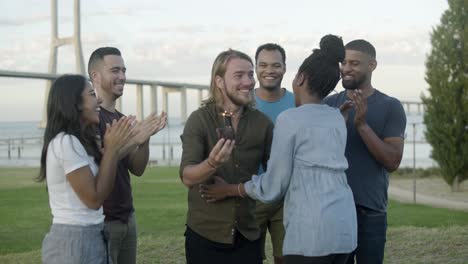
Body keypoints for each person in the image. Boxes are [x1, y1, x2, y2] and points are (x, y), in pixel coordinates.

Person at [201, 35, 357, 264]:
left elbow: (274, 185)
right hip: (345, 229)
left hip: (312, 233)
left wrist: (231, 189)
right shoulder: (336, 117)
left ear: (300, 78)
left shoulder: (290, 119)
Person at [179, 49, 274, 264]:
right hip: (205, 236)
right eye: (239, 75)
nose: (248, 82)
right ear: (219, 81)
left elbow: (274, 178)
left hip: (249, 234)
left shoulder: (263, 123)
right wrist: (212, 163)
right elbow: (187, 177)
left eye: (250, 75)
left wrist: (235, 190)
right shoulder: (199, 120)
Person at [323, 39, 407, 264]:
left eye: (354, 63)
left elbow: (392, 161)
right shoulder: (328, 104)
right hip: (333, 211)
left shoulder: (390, 106)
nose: (346, 68)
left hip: (370, 214)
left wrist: (361, 125)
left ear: (372, 65)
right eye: (343, 62)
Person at [38, 74, 136, 263]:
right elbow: (94, 199)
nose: (98, 99)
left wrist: (135, 140)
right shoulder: (66, 142)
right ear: (76, 103)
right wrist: (112, 149)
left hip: (90, 235)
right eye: (92, 94)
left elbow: (103, 178)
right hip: (75, 241)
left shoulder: (78, 142)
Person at [88, 47, 167, 264]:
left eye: (123, 70)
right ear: (95, 76)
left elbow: (138, 169)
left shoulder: (122, 118)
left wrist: (145, 137)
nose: (122, 76)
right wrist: (134, 139)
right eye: (115, 70)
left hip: (127, 218)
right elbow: (96, 168)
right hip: (102, 221)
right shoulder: (89, 118)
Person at [254, 43, 295, 264]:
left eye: (275, 65)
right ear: (255, 68)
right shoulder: (244, 102)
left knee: (286, 258)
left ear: (285, 68)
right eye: (263, 65)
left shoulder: (297, 102)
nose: (269, 70)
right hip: (252, 194)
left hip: (287, 197)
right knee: (250, 256)